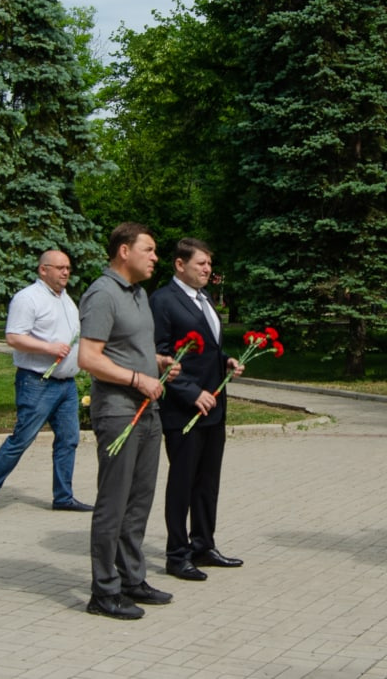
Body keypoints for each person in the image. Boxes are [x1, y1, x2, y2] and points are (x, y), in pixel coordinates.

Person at [78, 223, 180, 620]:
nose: (156, 257)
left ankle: (131, 579)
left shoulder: (139, 294)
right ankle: (103, 592)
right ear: (124, 251)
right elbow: (89, 357)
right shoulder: (103, 294)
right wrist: (138, 378)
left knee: (139, 501)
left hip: (147, 410)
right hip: (119, 411)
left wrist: (155, 364)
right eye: (149, 250)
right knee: (113, 503)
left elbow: (124, 348)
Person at [150, 238, 246, 582]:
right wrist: (191, 393)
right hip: (183, 411)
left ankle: (203, 545)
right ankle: (177, 555)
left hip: (214, 408)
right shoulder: (162, 300)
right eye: (201, 264)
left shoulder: (205, 299)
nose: (207, 269)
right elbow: (159, 356)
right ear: (180, 264)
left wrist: (226, 361)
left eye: (209, 264)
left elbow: (203, 350)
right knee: (182, 482)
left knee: (207, 482)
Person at [0, 250, 91, 518]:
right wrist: (48, 348)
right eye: (60, 268)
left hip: (66, 385)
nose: (65, 273)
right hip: (38, 382)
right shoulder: (27, 298)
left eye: (68, 268)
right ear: (43, 270)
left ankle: (63, 496)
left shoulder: (66, 300)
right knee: (22, 440)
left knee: (69, 440)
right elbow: (14, 337)